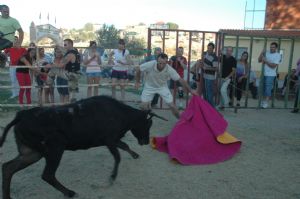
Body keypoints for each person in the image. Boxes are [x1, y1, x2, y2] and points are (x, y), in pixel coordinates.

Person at [135, 53, 198, 119]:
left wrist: (191, 90)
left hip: (162, 87)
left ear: (167, 62)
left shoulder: (169, 69)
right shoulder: (151, 64)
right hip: (149, 87)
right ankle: (147, 113)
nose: (162, 65)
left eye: (164, 63)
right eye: (160, 63)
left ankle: (181, 120)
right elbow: (138, 69)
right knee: (143, 106)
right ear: (156, 61)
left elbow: (180, 80)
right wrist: (137, 81)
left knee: (172, 106)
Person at [258, 42, 281, 108]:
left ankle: (266, 102)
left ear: (276, 48)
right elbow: (259, 60)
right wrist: (262, 52)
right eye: (271, 47)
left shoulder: (278, 55)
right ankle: (262, 101)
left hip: (271, 75)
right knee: (262, 88)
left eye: (273, 47)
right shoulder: (266, 53)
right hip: (263, 73)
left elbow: (273, 66)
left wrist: (266, 61)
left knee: (268, 88)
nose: (271, 48)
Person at [59, 39, 81, 103]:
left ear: (70, 44)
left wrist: (52, 65)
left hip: (72, 74)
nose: (64, 46)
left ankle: (71, 109)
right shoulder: (76, 52)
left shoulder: (71, 54)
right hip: (76, 73)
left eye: (65, 44)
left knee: (72, 94)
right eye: (64, 45)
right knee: (72, 93)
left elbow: (61, 65)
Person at [201, 42, 219, 107]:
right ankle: (207, 108)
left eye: (210, 48)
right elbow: (202, 61)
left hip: (210, 78)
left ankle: (212, 108)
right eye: (208, 48)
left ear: (213, 49)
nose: (209, 49)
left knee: (209, 94)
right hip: (204, 76)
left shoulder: (215, 57)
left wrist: (207, 68)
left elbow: (216, 69)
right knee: (205, 93)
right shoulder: (205, 54)